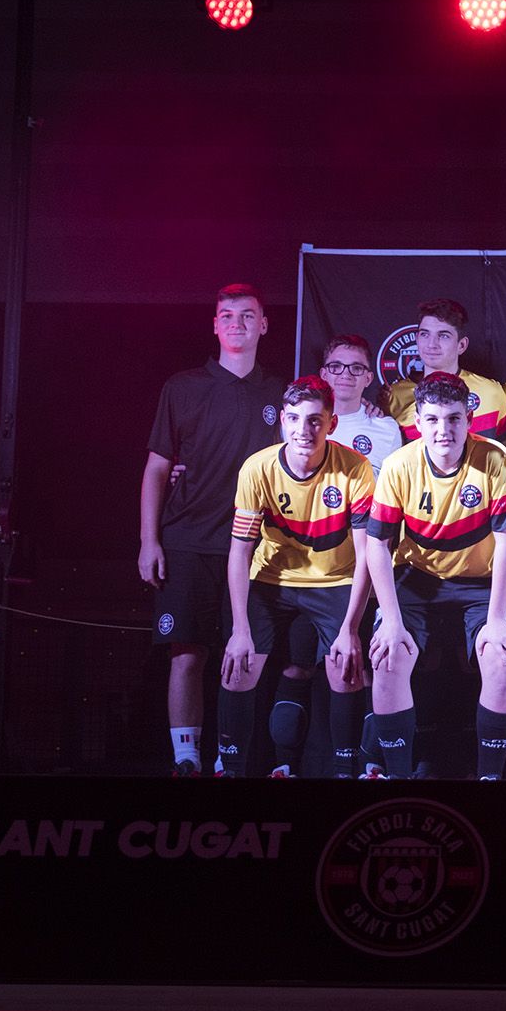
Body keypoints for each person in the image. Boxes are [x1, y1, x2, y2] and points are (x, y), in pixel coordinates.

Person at [140, 282, 283, 776]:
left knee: (240, 656)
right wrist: (149, 540)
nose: (237, 323)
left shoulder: (281, 394)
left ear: (263, 324)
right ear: (215, 325)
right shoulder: (182, 387)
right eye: (227, 315)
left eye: (247, 315)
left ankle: (231, 756)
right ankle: (186, 759)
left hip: (254, 548)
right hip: (187, 542)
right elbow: (158, 468)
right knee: (187, 653)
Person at [365, 373, 506, 779]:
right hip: (418, 580)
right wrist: (391, 620)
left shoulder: (495, 459)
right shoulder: (400, 465)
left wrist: (498, 619)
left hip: (481, 583)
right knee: (387, 658)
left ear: (469, 419)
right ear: (418, 421)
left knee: (503, 661)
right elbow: (376, 545)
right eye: (433, 419)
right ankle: (398, 778)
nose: (443, 430)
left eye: (454, 419)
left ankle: (490, 777)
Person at [220, 376, 374, 777]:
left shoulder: (355, 469)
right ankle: (232, 769)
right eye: (294, 419)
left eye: (314, 420)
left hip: (335, 581)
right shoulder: (258, 468)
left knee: (345, 667)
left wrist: (352, 627)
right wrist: (240, 630)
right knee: (240, 664)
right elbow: (240, 552)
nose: (303, 431)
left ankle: (346, 770)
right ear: (283, 422)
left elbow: (367, 555)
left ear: (331, 423)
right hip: (272, 582)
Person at [268, 334, 402, 777]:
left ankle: (361, 767)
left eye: (356, 367)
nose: (346, 374)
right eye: (337, 366)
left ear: (370, 376)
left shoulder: (386, 428)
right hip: (304, 569)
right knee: (299, 664)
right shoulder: (297, 425)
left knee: (356, 666)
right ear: (324, 373)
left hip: (365, 569)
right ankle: (285, 767)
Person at [381, 298, 506, 441]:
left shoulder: (491, 393)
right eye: (425, 334)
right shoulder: (393, 396)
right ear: (416, 339)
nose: (431, 344)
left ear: (462, 345)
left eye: (443, 336)